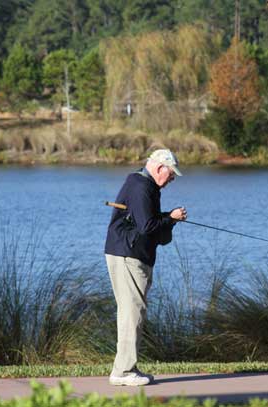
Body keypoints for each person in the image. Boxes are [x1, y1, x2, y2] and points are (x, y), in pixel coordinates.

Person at [104, 149, 187, 386]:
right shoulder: (142, 187)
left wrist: (169, 218)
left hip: (127, 253)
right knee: (133, 312)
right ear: (160, 168)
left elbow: (146, 222)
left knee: (130, 311)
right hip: (128, 255)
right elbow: (148, 226)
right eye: (171, 174)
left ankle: (125, 368)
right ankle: (124, 372)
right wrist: (171, 218)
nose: (172, 179)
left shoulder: (144, 184)